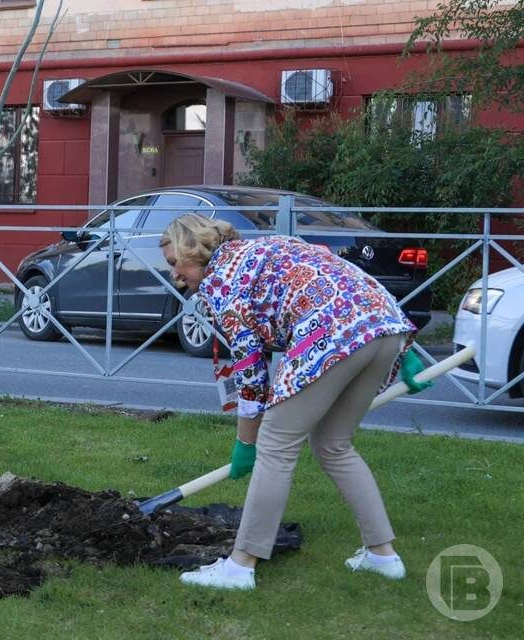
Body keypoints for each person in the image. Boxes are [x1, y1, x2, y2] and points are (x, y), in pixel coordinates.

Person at [159, 214, 430, 591]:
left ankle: (239, 568)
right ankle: (383, 557)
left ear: (194, 248)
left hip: (331, 332)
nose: (175, 275)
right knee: (334, 445)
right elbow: (343, 272)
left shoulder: (222, 281)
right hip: (384, 325)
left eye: (175, 263)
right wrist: (402, 347)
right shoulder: (263, 247)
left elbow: (251, 372)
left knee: (275, 446)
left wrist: (246, 443)